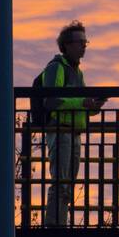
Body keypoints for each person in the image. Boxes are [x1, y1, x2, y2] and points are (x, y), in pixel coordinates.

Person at [39, 20, 105, 226]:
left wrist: (92, 106)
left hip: (74, 133)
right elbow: (50, 101)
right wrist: (81, 102)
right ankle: (53, 226)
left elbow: (78, 105)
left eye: (86, 42)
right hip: (60, 131)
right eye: (80, 41)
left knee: (67, 184)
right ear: (66, 45)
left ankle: (60, 223)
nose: (84, 45)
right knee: (60, 182)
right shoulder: (56, 68)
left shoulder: (78, 72)